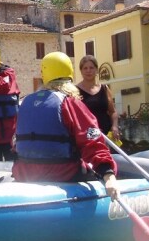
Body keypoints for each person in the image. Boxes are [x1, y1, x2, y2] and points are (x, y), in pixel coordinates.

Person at [12, 51, 120, 200]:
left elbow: (16, 144)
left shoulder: (25, 103)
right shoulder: (69, 102)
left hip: (25, 173)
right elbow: (92, 142)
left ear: (44, 74)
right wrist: (108, 174)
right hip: (62, 173)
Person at [76, 55, 120, 143]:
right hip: (87, 138)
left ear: (96, 70)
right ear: (81, 71)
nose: (88, 71)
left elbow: (112, 111)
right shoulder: (75, 91)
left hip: (106, 137)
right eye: (85, 68)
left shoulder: (105, 88)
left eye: (91, 68)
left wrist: (115, 126)